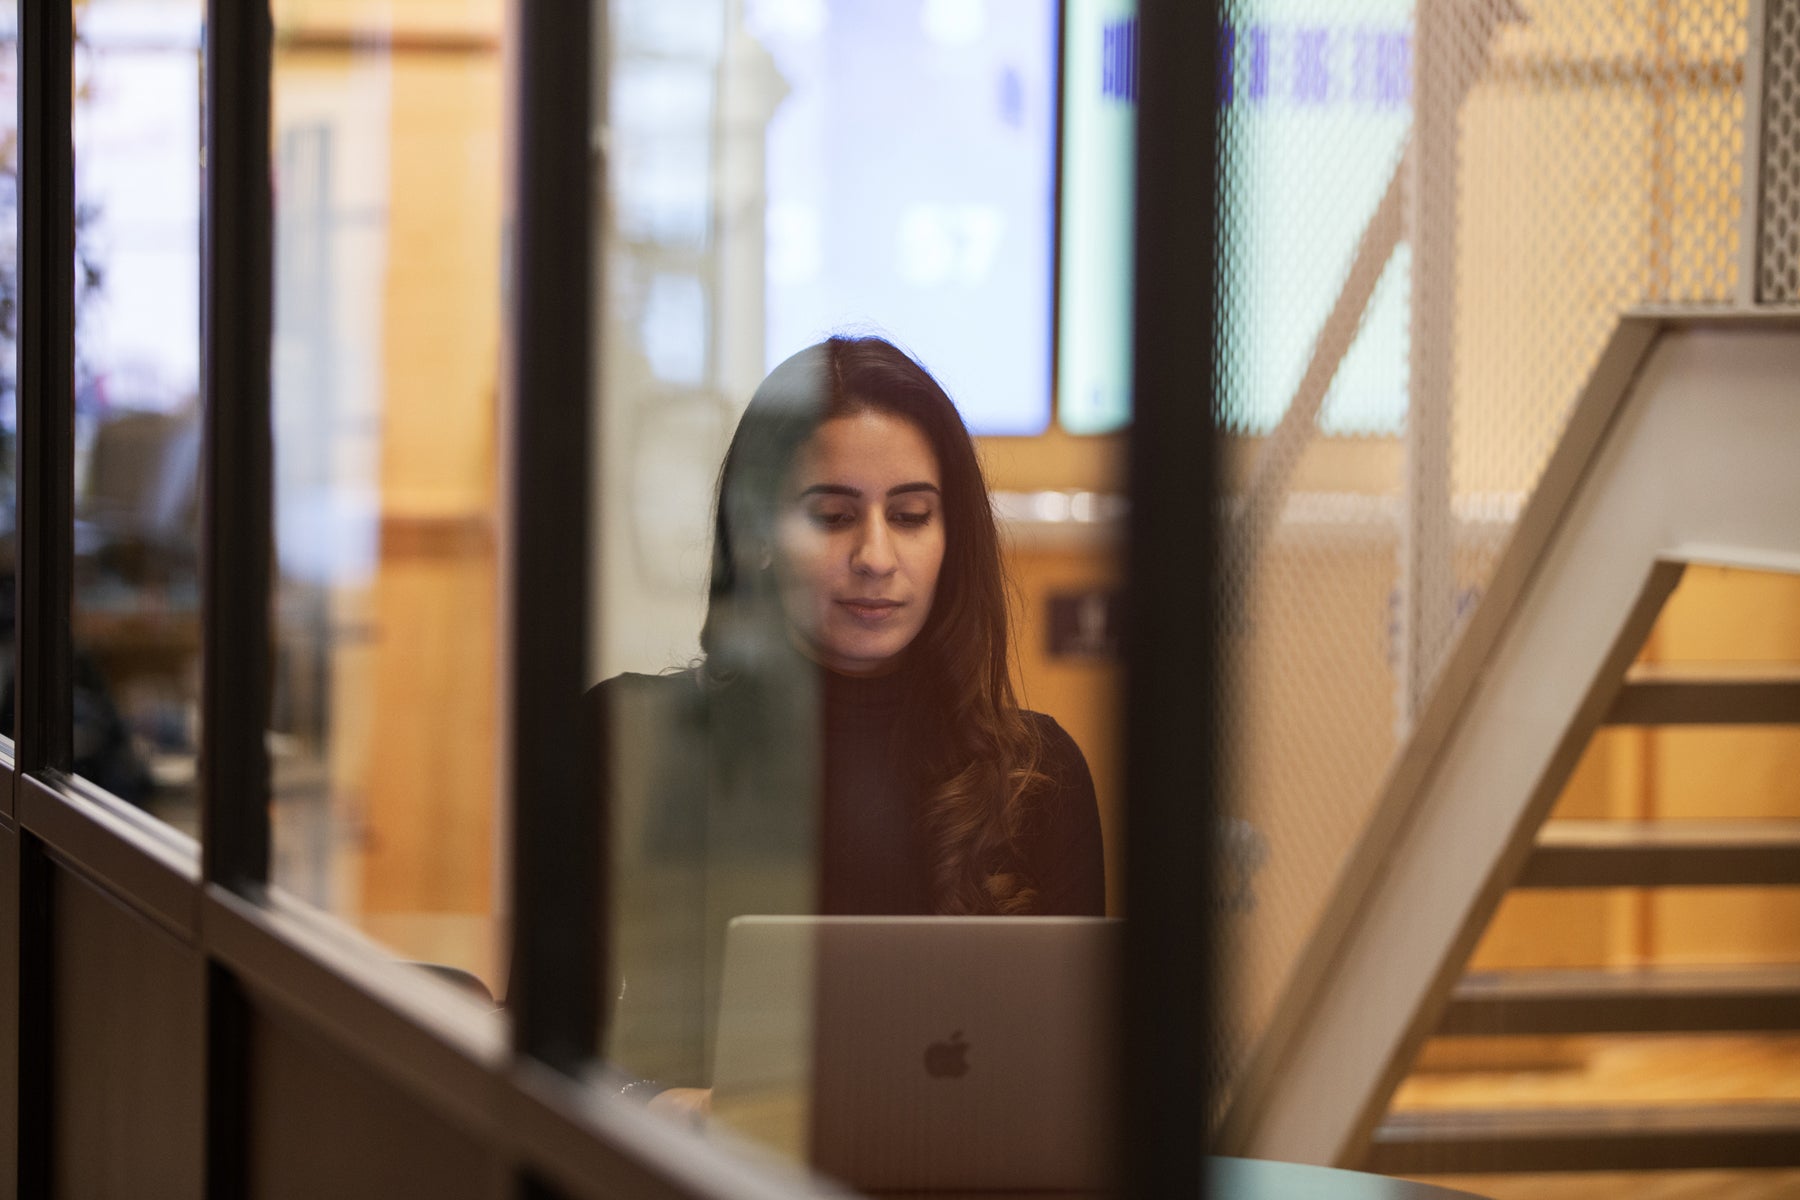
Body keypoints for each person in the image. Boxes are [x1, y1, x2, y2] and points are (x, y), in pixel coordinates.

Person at [595, 335, 1103, 1104]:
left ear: (948, 539)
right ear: (758, 534)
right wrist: (663, 1110)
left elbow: (1076, 1087)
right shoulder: (629, 740)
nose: (875, 555)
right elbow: (535, 1052)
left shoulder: (1040, 776)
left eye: (910, 515)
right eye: (832, 516)